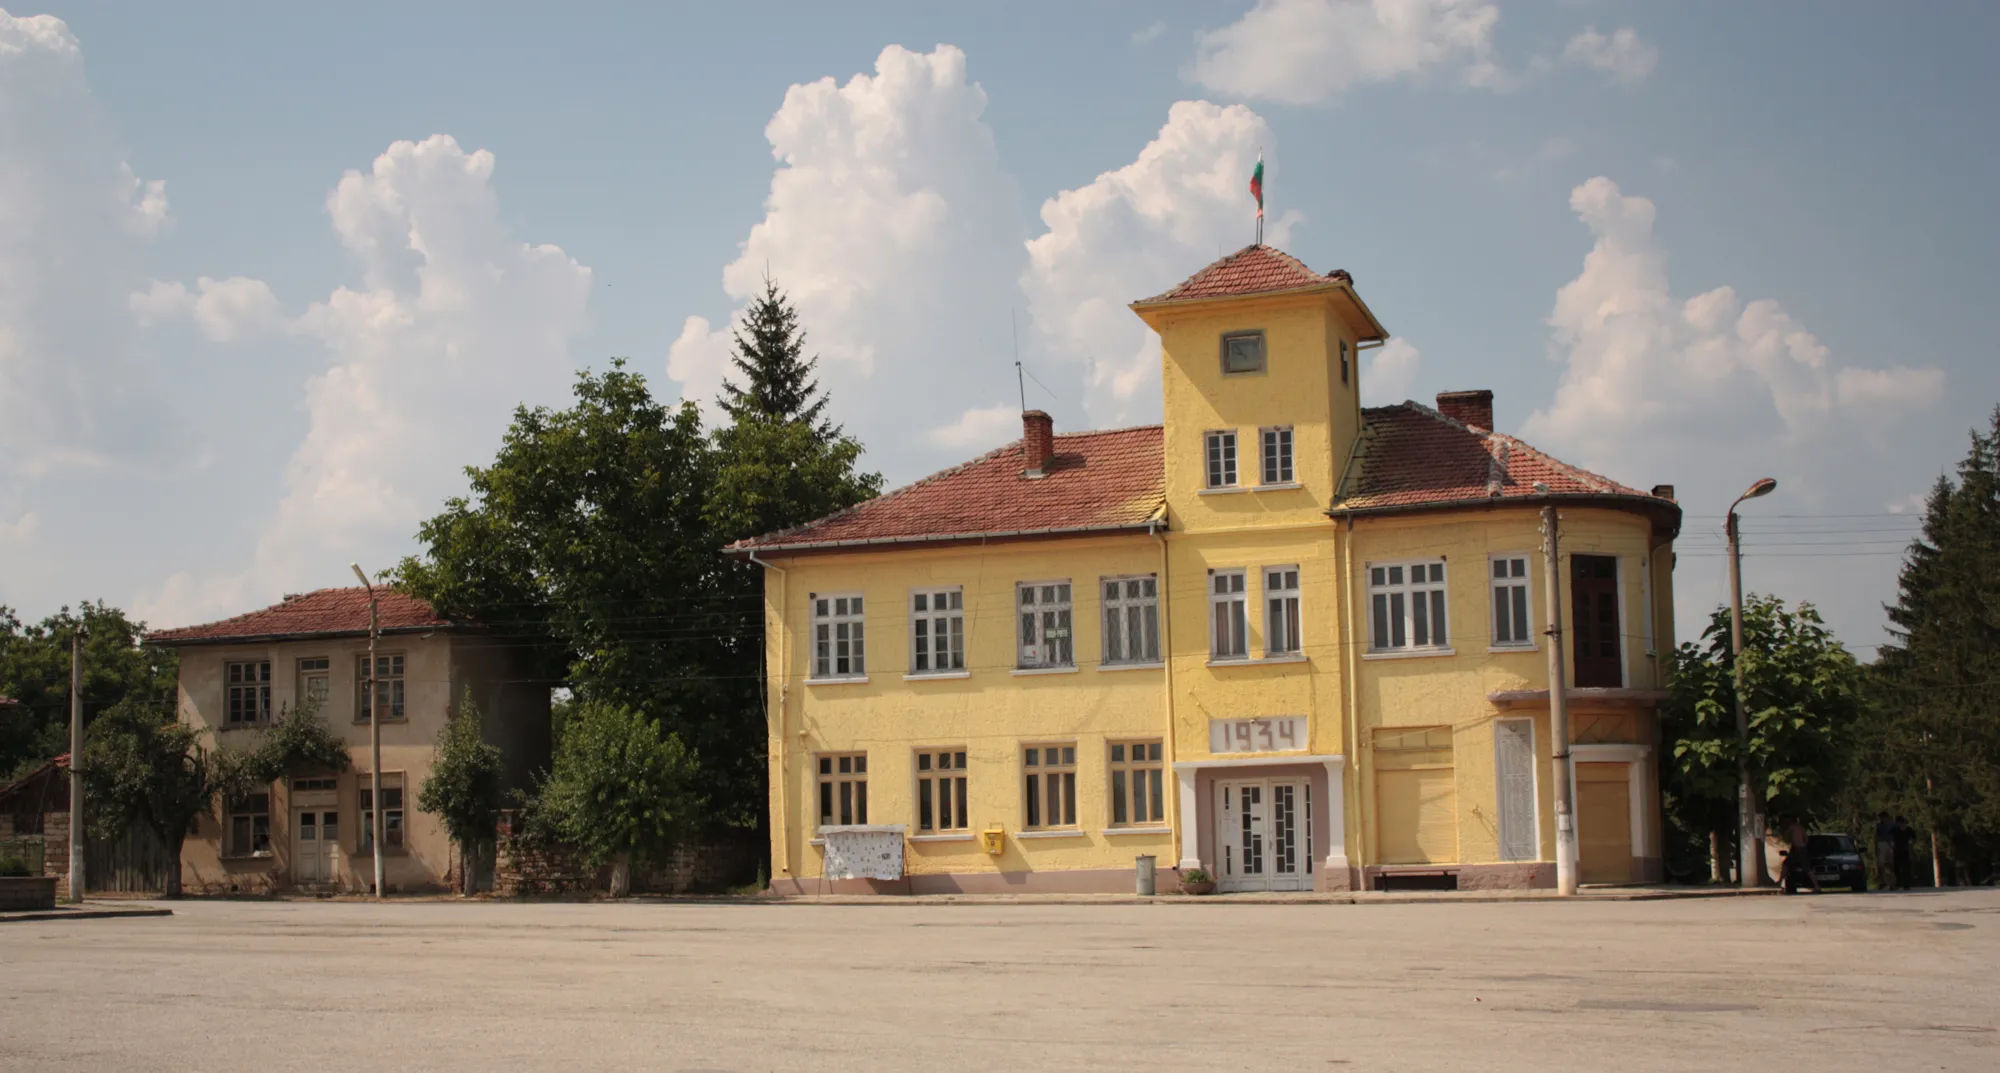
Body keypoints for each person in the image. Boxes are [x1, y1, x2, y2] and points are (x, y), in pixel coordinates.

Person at [1781, 815, 1821, 894]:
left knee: (1786, 864)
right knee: (1807, 868)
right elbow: (1806, 838)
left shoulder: (1792, 827)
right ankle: (1817, 886)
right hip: (1802, 849)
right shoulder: (1801, 827)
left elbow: (1785, 837)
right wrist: (1804, 845)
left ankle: (1779, 882)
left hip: (1797, 849)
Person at [1874, 811, 1897, 890]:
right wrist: (1876, 846)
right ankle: (1884, 882)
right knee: (1882, 865)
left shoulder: (1892, 825)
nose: (1881, 819)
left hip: (1891, 843)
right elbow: (1876, 836)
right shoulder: (1879, 825)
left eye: (1882, 817)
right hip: (1882, 844)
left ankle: (1892, 883)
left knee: (1891, 864)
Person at [1892, 816, 1915, 890]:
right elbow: (1889, 838)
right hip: (1896, 850)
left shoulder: (1909, 829)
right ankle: (1896, 884)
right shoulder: (1894, 830)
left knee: (1906, 868)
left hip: (1905, 850)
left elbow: (1913, 838)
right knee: (1896, 868)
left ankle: (1906, 884)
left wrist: (1911, 842)